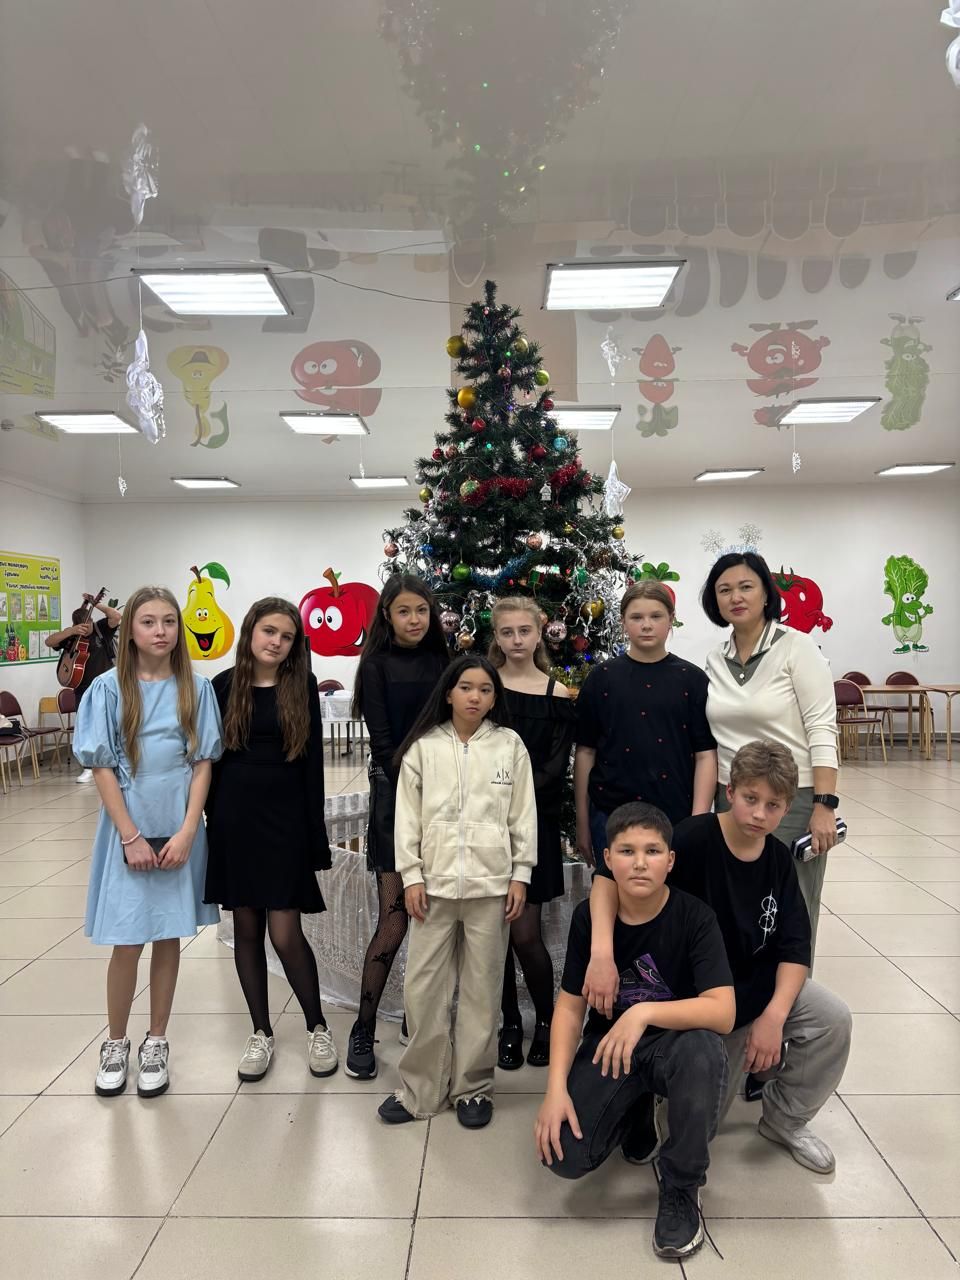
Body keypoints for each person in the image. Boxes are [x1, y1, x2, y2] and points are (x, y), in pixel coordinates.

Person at [535, 802, 734, 1262]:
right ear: (607, 859)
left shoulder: (695, 917)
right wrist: (554, 1090)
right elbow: (570, 1009)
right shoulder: (590, 920)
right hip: (611, 1048)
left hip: (673, 1045)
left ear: (671, 860)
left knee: (705, 1051)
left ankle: (681, 1187)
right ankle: (635, 1110)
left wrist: (642, 1013)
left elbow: (723, 1011)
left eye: (652, 851)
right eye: (627, 851)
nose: (640, 862)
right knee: (563, 1156)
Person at [669, 741, 852, 1173]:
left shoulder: (778, 860)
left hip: (758, 990)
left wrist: (773, 1016)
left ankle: (784, 1121)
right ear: (730, 792)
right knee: (698, 1131)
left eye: (773, 806)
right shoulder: (691, 840)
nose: (759, 814)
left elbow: (794, 946)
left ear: (787, 809)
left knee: (832, 1019)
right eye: (750, 799)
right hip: (706, 1003)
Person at [74, 586, 222, 1099]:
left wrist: (188, 830)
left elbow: (202, 762)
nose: (160, 631)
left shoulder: (196, 689)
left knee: (167, 934)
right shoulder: (107, 690)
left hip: (178, 823)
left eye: (169, 622)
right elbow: (101, 766)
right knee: (128, 938)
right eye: (148, 622)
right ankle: (115, 1042)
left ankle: (157, 1040)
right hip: (128, 824)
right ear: (130, 631)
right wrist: (130, 835)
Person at [377, 656, 537, 1130]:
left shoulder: (509, 745)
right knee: (423, 989)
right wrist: (411, 876)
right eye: (466, 687)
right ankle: (421, 1090)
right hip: (433, 888)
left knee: (482, 991)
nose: (475, 697)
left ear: (494, 697)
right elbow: (407, 819)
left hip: (491, 888)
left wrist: (520, 874)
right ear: (448, 692)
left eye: (485, 690)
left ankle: (472, 1088)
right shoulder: (424, 748)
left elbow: (522, 815)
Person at [204, 598, 337, 1082]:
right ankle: (260, 1032)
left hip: (285, 822)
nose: (276, 642)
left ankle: (317, 1026)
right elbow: (208, 760)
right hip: (234, 820)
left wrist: (315, 835)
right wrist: (208, 821)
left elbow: (311, 766)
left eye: (286, 636)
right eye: (269, 631)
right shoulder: (222, 686)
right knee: (246, 929)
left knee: (284, 933)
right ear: (250, 632)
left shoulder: (300, 685)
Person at [701, 551, 840, 958]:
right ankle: (737, 990)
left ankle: (792, 993)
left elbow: (822, 728)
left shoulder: (797, 647)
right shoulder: (715, 658)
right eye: (724, 590)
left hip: (789, 801)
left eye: (746, 587)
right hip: (731, 799)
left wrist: (824, 805)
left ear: (766, 594)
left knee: (791, 909)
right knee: (736, 904)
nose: (735, 597)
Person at [346, 575, 450, 1080]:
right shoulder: (376, 665)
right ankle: (363, 1027)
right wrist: (419, 783)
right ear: (387, 615)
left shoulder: (445, 663)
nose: (414, 620)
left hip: (446, 800)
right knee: (394, 919)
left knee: (436, 916)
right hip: (396, 798)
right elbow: (385, 745)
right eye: (404, 611)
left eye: (422, 611)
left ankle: (419, 1018)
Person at [574, 582, 717, 873]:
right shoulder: (601, 678)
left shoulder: (692, 680)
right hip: (610, 814)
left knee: (674, 895)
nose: (647, 625)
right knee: (613, 892)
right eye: (637, 617)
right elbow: (585, 752)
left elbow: (705, 754)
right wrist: (582, 821)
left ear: (671, 619)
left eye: (656, 616)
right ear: (623, 622)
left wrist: (697, 822)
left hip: (675, 814)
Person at [488, 597, 575, 1068]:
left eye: (524, 631)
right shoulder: (485, 687)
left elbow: (555, 769)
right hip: (485, 824)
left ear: (540, 633)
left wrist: (511, 798)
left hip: (532, 826)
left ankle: (546, 1019)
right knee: (495, 935)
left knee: (524, 933)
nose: (516, 640)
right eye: (507, 632)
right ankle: (509, 1022)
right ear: (496, 637)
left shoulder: (555, 694)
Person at [46, 593, 122, 783]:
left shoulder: (101, 629)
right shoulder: (72, 636)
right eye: (80, 626)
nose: (85, 628)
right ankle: (88, 767)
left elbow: (116, 616)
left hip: (105, 686)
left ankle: (113, 762)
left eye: (87, 624)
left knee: (110, 724)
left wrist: (97, 604)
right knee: (86, 726)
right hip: (81, 687)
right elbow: (50, 641)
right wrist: (70, 631)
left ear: (91, 621)